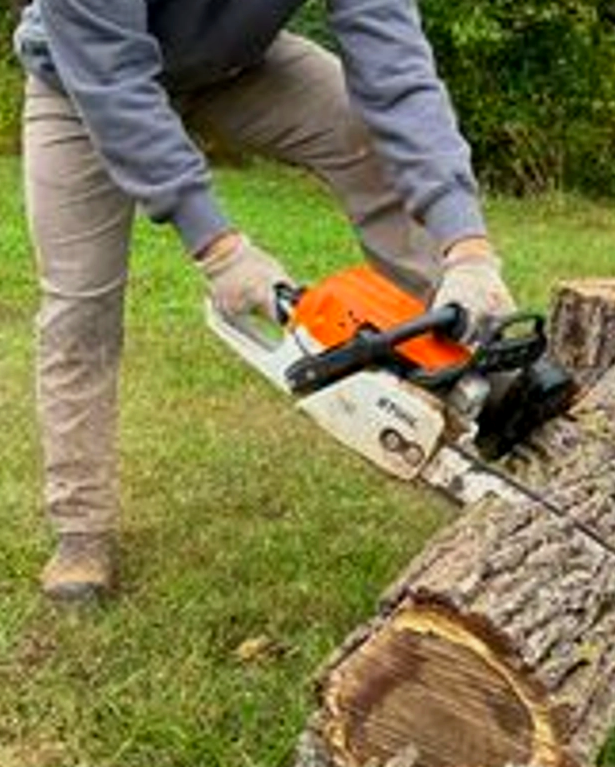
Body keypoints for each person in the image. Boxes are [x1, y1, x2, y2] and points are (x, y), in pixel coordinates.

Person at [14, 0, 516, 602]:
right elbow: (113, 81)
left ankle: (483, 366)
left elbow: (396, 71)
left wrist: (467, 248)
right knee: (80, 304)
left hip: (238, 68)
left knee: (368, 141)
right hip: (82, 82)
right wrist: (219, 250)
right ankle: (81, 528)